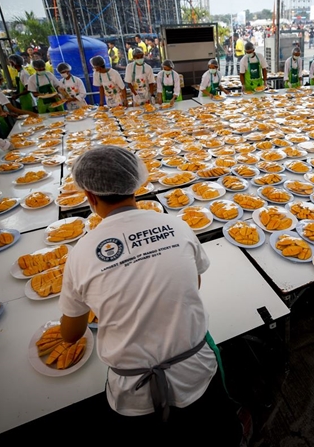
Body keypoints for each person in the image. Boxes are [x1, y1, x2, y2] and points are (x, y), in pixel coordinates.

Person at [57, 146, 242, 445]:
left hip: (133, 389)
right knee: (214, 435)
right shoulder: (176, 225)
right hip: (195, 369)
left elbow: (70, 334)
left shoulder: (80, 254)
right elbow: (193, 283)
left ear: (90, 196)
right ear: (136, 183)